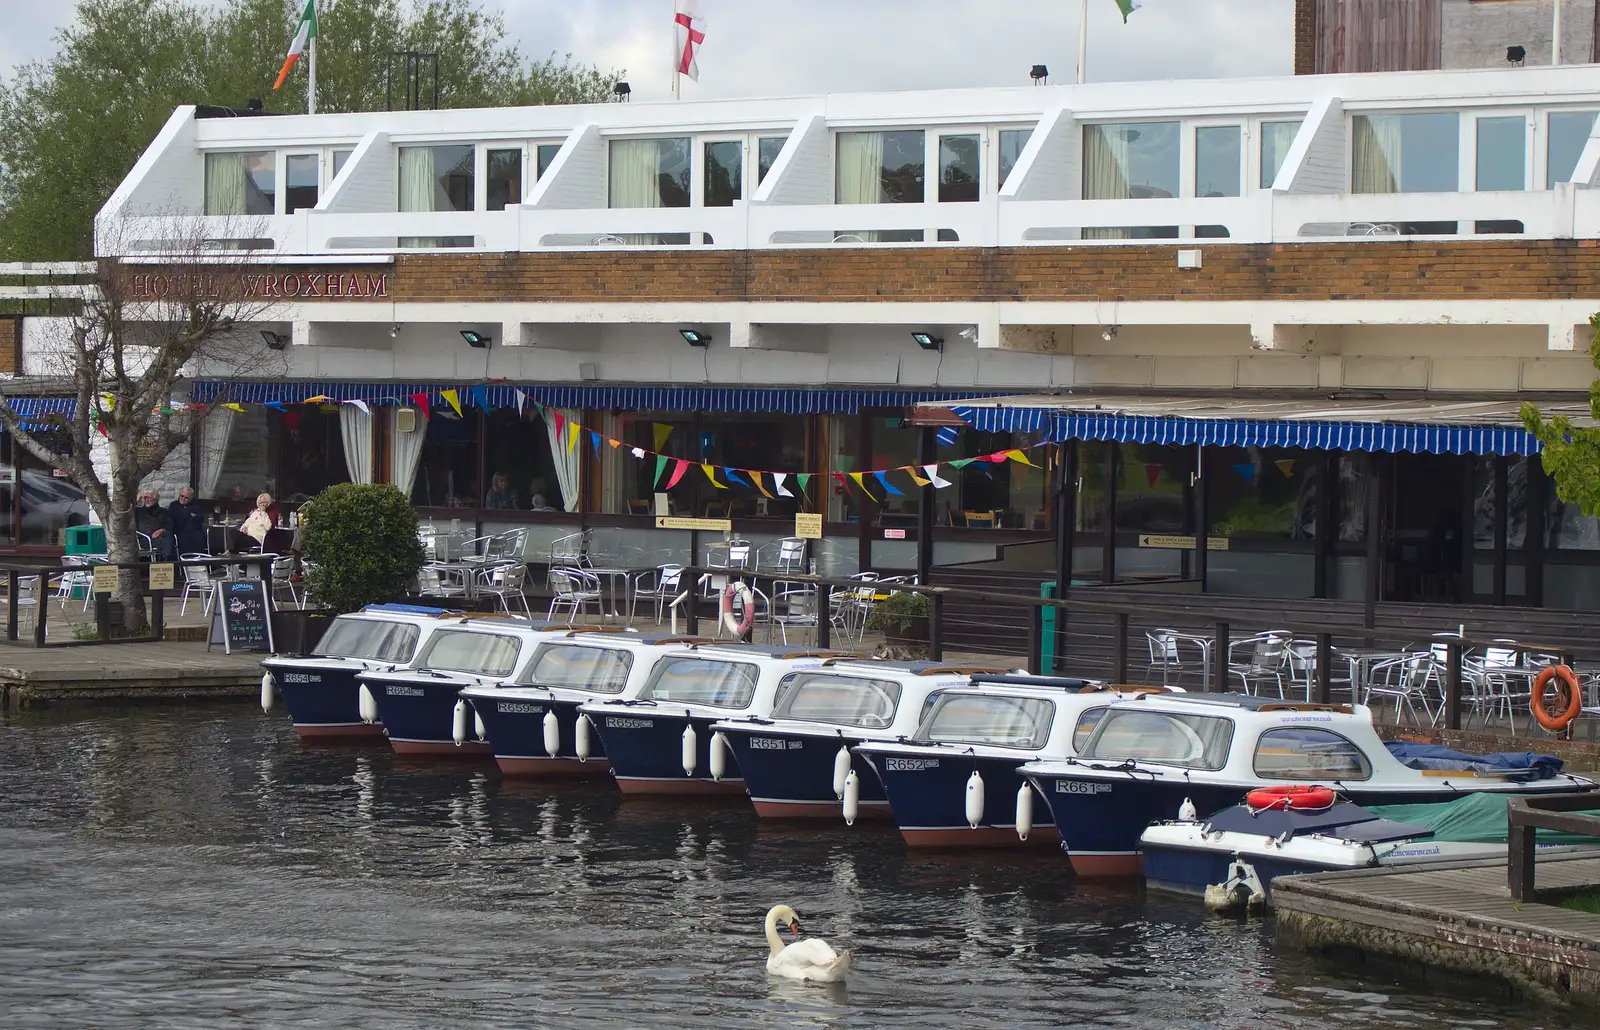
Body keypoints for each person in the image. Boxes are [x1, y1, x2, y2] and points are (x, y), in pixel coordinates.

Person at [135, 490, 176, 560]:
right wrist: (136, 500)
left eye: (150, 498)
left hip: (160, 537)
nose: (147, 500)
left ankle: (167, 559)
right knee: (168, 541)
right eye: (145, 498)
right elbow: (125, 512)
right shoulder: (138, 511)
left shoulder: (164, 512)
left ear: (156, 500)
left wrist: (161, 530)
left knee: (168, 535)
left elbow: (170, 525)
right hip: (146, 539)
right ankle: (168, 561)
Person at [168, 486, 209, 555]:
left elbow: (201, 517)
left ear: (191, 498)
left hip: (195, 530)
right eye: (181, 496)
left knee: (199, 538)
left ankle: (198, 561)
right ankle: (185, 561)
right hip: (180, 529)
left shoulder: (196, 505)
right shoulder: (174, 505)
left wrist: (184, 513)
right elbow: (177, 518)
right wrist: (190, 514)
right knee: (184, 539)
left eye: (186, 497)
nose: (183, 498)